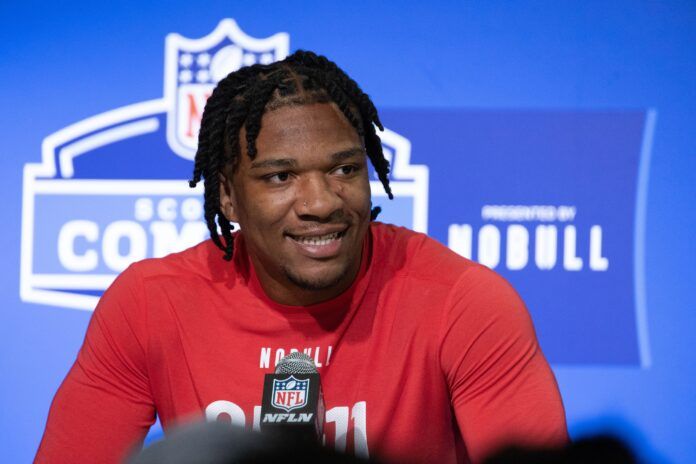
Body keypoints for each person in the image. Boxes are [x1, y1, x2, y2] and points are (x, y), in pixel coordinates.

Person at [35, 50, 567, 463]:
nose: (320, 204)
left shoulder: (462, 302)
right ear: (227, 195)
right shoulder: (150, 304)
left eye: (344, 170)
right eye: (280, 177)